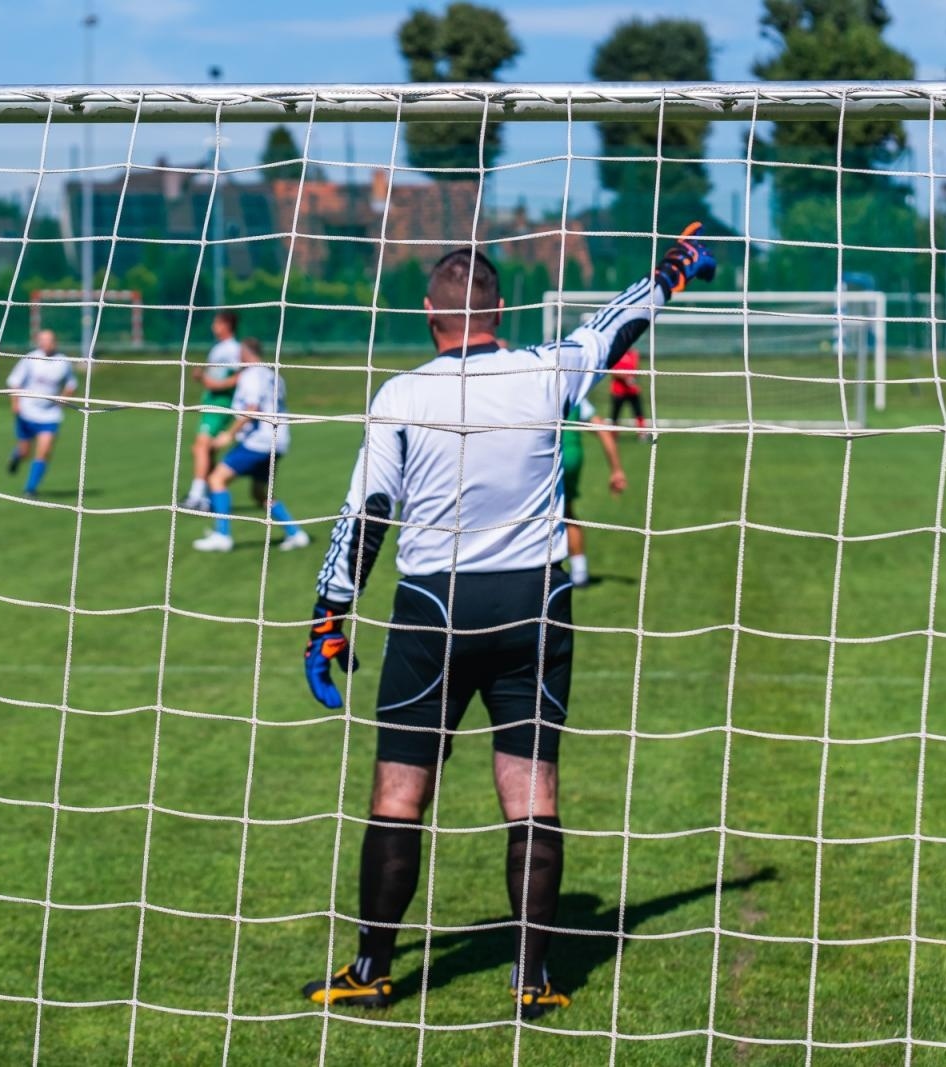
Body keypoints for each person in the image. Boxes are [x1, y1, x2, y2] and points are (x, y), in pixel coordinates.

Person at [300, 224, 716, 1019]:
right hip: (533, 605)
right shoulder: (544, 371)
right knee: (531, 790)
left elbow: (366, 514)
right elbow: (618, 322)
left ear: (431, 313)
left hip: (433, 612)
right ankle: (532, 978)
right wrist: (674, 269)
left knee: (399, 792)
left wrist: (330, 613)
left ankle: (372, 968)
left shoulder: (402, 394)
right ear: (501, 310)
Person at [192, 337, 309, 553]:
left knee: (217, 479)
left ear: (246, 353)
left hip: (259, 441)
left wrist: (229, 434)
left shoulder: (251, 375)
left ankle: (222, 536)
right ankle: (296, 533)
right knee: (259, 494)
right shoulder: (272, 374)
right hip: (278, 440)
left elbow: (252, 407)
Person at [561, 395, 627, 587]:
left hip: (545, 456)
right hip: (572, 456)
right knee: (567, 512)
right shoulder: (574, 393)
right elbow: (602, 429)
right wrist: (617, 469)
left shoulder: (533, 386)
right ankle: (579, 572)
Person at [5, 329, 79, 496]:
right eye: (42, 340)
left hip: (49, 415)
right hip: (27, 412)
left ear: (55, 342)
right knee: (25, 451)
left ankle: (30, 489)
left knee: (44, 451)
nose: (45, 343)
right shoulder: (30, 358)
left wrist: (63, 399)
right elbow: (15, 381)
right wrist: (15, 403)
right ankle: (16, 457)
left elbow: (72, 384)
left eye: (49, 340)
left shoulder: (63, 361)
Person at [182, 311, 243, 509]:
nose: (213, 327)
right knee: (204, 450)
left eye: (216, 323)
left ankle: (196, 496)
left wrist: (215, 384)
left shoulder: (233, 349)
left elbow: (239, 376)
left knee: (201, 447)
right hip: (211, 401)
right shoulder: (219, 348)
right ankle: (209, 497)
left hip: (220, 403)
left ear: (226, 324)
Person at [608, 347, 647, 436]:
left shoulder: (633, 353)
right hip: (618, 390)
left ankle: (642, 433)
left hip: (632, 389)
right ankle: (613, 434)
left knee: (638, 411)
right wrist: (625, 378)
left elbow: (636, 368)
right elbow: (613, 371)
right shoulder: (616, 353)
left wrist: (631, 377)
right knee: (615, 414)